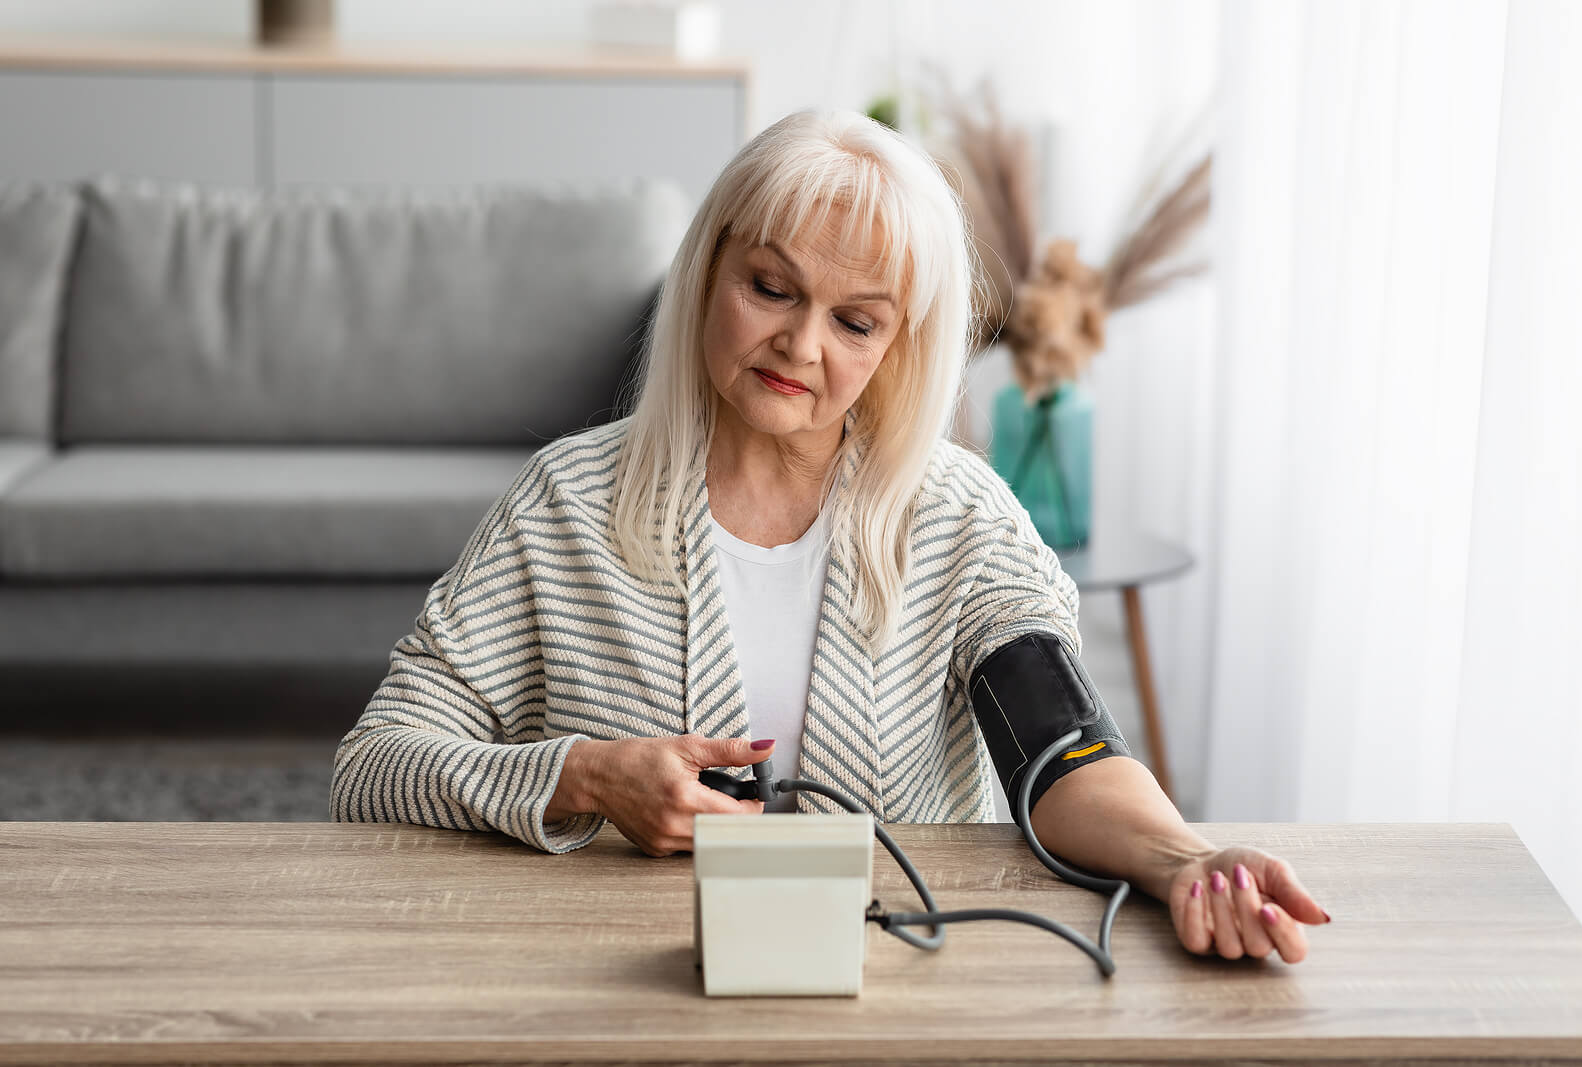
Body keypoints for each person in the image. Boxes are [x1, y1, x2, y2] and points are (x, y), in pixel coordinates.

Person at [330, 108, 1329, 964]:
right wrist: (583, 775)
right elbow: (374, 763)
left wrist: (1185, 857)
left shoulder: (963, 517)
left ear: (899, 346)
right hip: (619, 1000)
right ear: (708, 267)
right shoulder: (564, 504)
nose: (800, 346)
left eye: (856, 321)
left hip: (898, 1005)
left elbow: (1060, 751)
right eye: (770, 288)